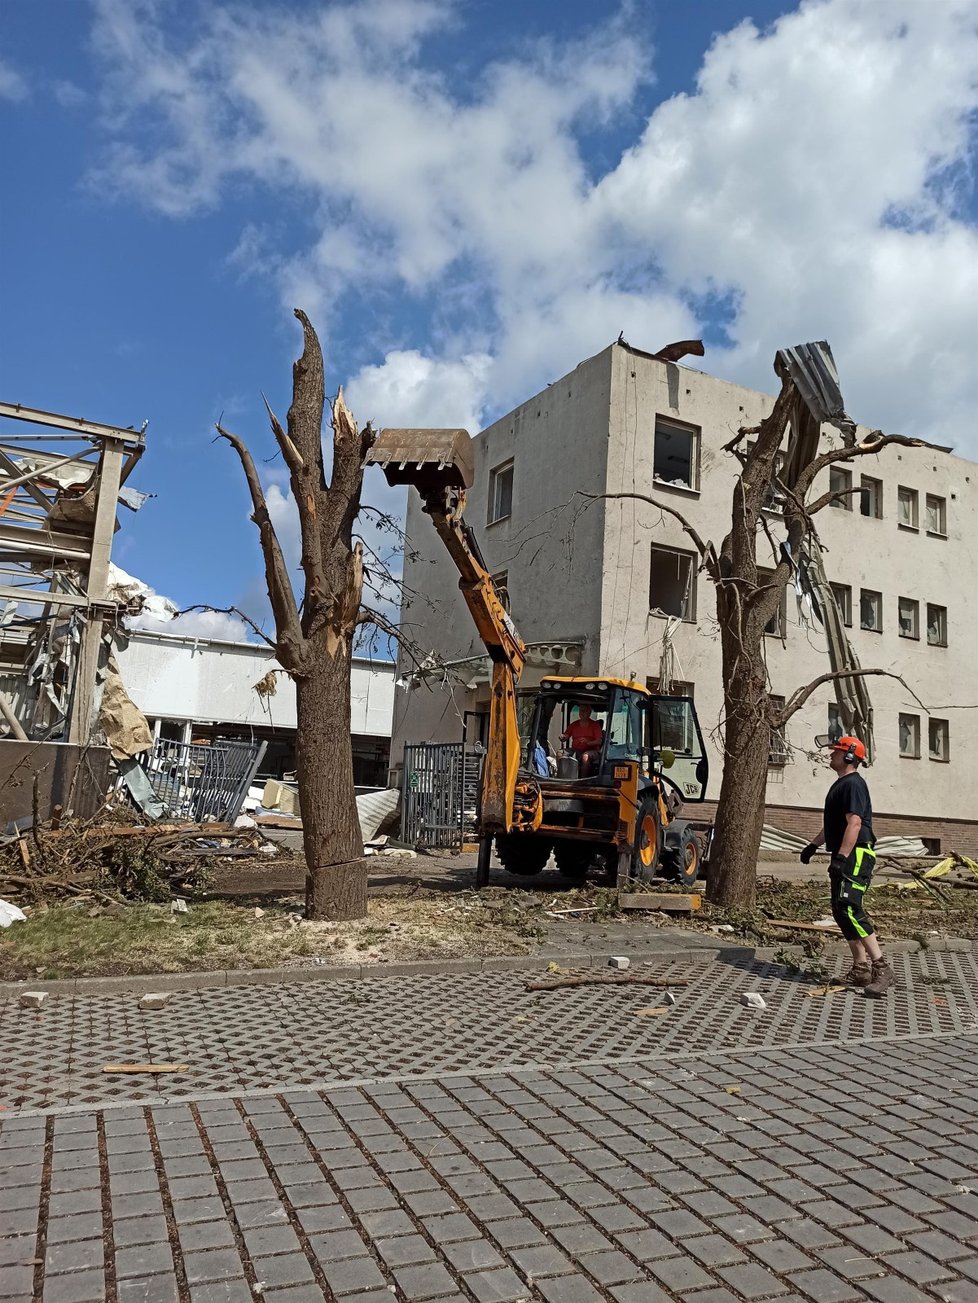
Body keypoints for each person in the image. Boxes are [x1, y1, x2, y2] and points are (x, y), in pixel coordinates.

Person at [799, 734, 894, 996]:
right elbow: (835, 825)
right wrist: (813, 845)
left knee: (850, 906)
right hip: (845, 851)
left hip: (857, 852)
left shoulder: (853, 784)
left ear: (850, 757)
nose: (831, 755)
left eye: (836, 751)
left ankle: (881, 967)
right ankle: (860, 969)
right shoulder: (840, 785)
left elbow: (855, 824)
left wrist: (841, 857)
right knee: (840, 910)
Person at [560, 704, 603, 777]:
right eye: (581, 711)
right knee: (560, 753)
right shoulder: (574, 724)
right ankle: (562, 776)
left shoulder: (595, 725)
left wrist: (588, 743)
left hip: (592, 750)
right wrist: (563, 737)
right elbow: (566, 735)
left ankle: (583, 779)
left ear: (589, 713)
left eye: (584, 711)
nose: (582, 713)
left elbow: (599, 741)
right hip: (576, 750)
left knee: (585, 757)